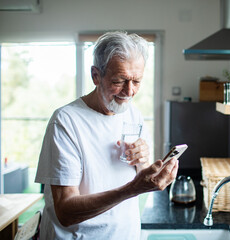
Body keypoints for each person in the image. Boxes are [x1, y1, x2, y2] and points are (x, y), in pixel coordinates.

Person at [35, 31, 179, 239]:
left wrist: (147, 165)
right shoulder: (66, 121)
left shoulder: (133, 114)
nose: (129, 92)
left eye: (137, 81)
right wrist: (131, 189)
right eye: (119, 80)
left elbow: (139, 172)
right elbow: (65, 211)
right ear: (96, 75)